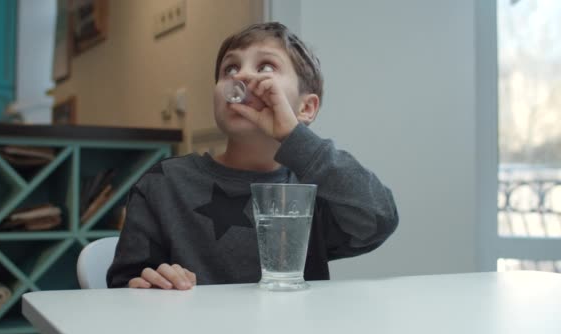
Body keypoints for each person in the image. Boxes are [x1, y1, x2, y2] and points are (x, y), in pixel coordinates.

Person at [106, 22, 398, 290]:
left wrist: (294, 137)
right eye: (229, 69)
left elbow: (379, 219)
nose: (242, 76)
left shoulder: (315, 192)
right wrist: (151, 284)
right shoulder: (164, 184)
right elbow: (123, 285)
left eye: (266, 67)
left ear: (305, 108)